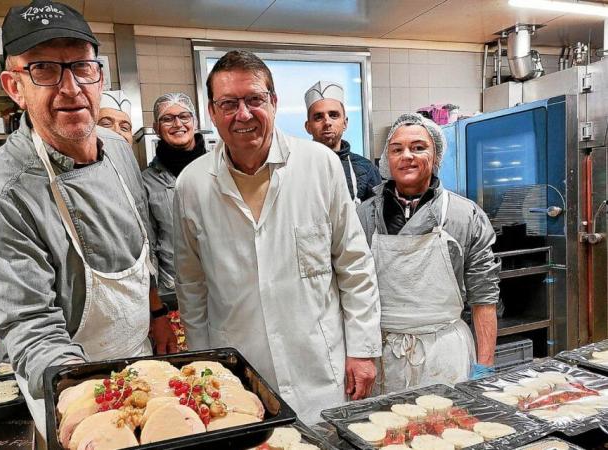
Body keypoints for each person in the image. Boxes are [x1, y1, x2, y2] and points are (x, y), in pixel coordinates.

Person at [0, 0, 174, 435]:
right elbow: (30, 329)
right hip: (68, 381)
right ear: (14, 86)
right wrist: (97, 407)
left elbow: (139, 247)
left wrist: (156, 313)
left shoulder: (116, 150)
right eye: (44, 69)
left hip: (141, 353)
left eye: (81, 67)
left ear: (100, 76)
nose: (71, 88)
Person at [173, 50, 381, 424]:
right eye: (229, 103)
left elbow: (354, 263)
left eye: (255, 99)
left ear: (273, 101)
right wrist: (202, 366)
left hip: (319, 365)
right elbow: (191, 285)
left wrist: (363, 351)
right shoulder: (191, 184)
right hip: (238, 370)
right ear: (212, 112)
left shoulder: (319, 164)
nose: (243, 114)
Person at [357, 112, 499, 394]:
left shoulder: (464, 215)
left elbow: (484, 297)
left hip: (445, 351)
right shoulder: (364, 216)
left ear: (436, 158)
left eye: (418, 147)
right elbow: (351, 293)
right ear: (387, 160)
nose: (406, 155)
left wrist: (485, 365)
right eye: (397, 149)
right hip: (382, 353)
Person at [141, 93, 207, 350]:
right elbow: (147, 248)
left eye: (184, 116)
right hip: (172, 295)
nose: (177, 124)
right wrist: (157, 309)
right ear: (157, 128)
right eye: (167, 119)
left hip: (221, 287)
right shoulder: (146, 182)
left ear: (195, 122)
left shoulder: (220, 170)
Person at [304, 81, 381, 203]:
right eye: (318, 117)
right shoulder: (296, 167)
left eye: (333, 115)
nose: (327, 122)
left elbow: (375, 216)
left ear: (345, 123)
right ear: (308, 126)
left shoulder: (366, 168)